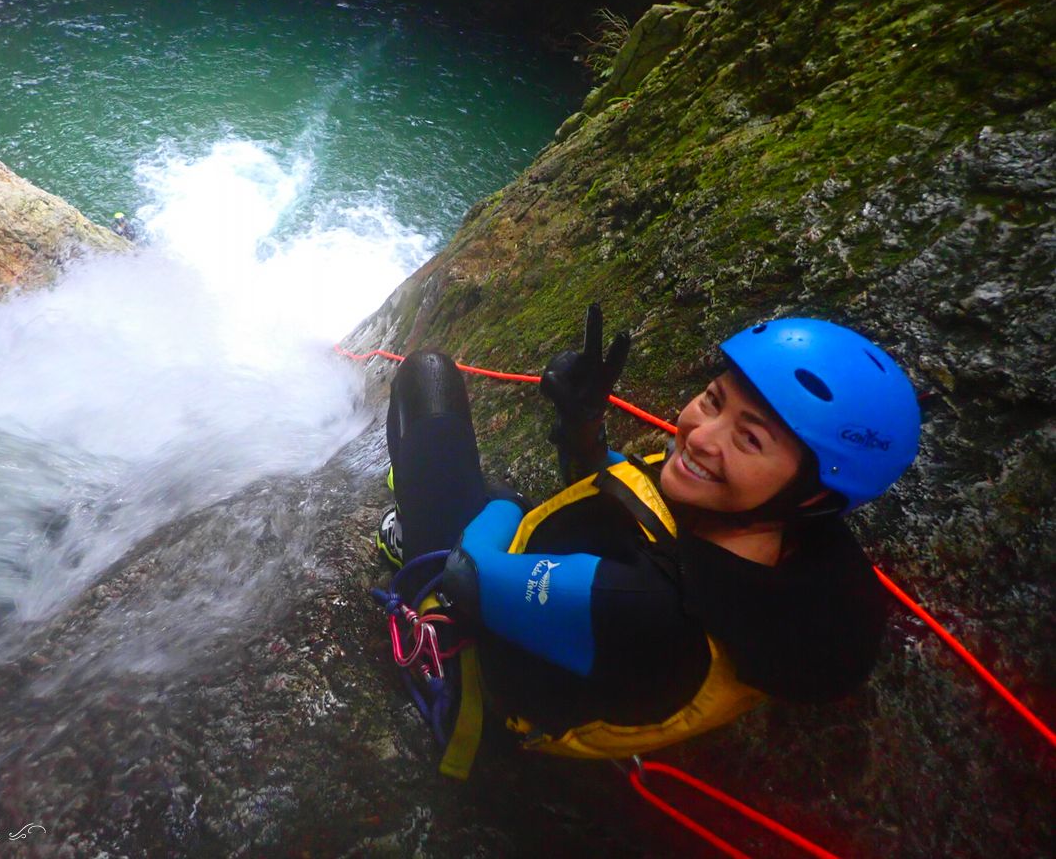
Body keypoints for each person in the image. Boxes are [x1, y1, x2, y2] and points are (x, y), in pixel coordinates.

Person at [378, 310, 919, 772]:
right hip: (585, 629)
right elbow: (640, 498)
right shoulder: (771, 542)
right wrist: (583, 427)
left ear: (812, 498)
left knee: (428, 379)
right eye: (712, 400)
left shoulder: (648, 609)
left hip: (489, 651)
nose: (701, 435)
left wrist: (504, 505)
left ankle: (411, 542)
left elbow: (469, 573)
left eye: (749, 438)